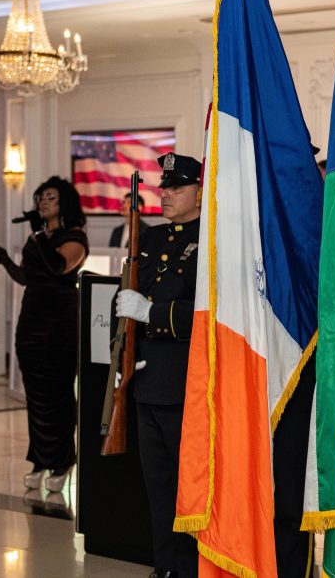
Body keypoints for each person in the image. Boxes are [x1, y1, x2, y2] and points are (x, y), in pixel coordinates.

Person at [114, 152, 201, 578]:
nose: (166, 194)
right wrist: (120, 358)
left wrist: (152, 314)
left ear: (199, 192)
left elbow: (209, 312)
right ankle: (165, 566)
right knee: (157, 484)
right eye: (164, 187)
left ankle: (191, 568)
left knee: (190, 486)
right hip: (146, 380)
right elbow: (125, 301)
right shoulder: (148, 240)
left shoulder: (212, 242)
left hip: (186, 383)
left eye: (177, 187)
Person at [0, 176, 89, 494]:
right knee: (37, 398)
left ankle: (62, 461)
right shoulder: (38, 237)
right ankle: (40, 460)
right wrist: (5, 261)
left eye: (50, 197)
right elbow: (28, 277)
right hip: (31, 324)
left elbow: (57, 267)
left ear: (64, 203)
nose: (43, 202)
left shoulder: (75, 237)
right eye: (41, 197)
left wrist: (38, 235)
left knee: (58, 396)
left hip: (59, 327)